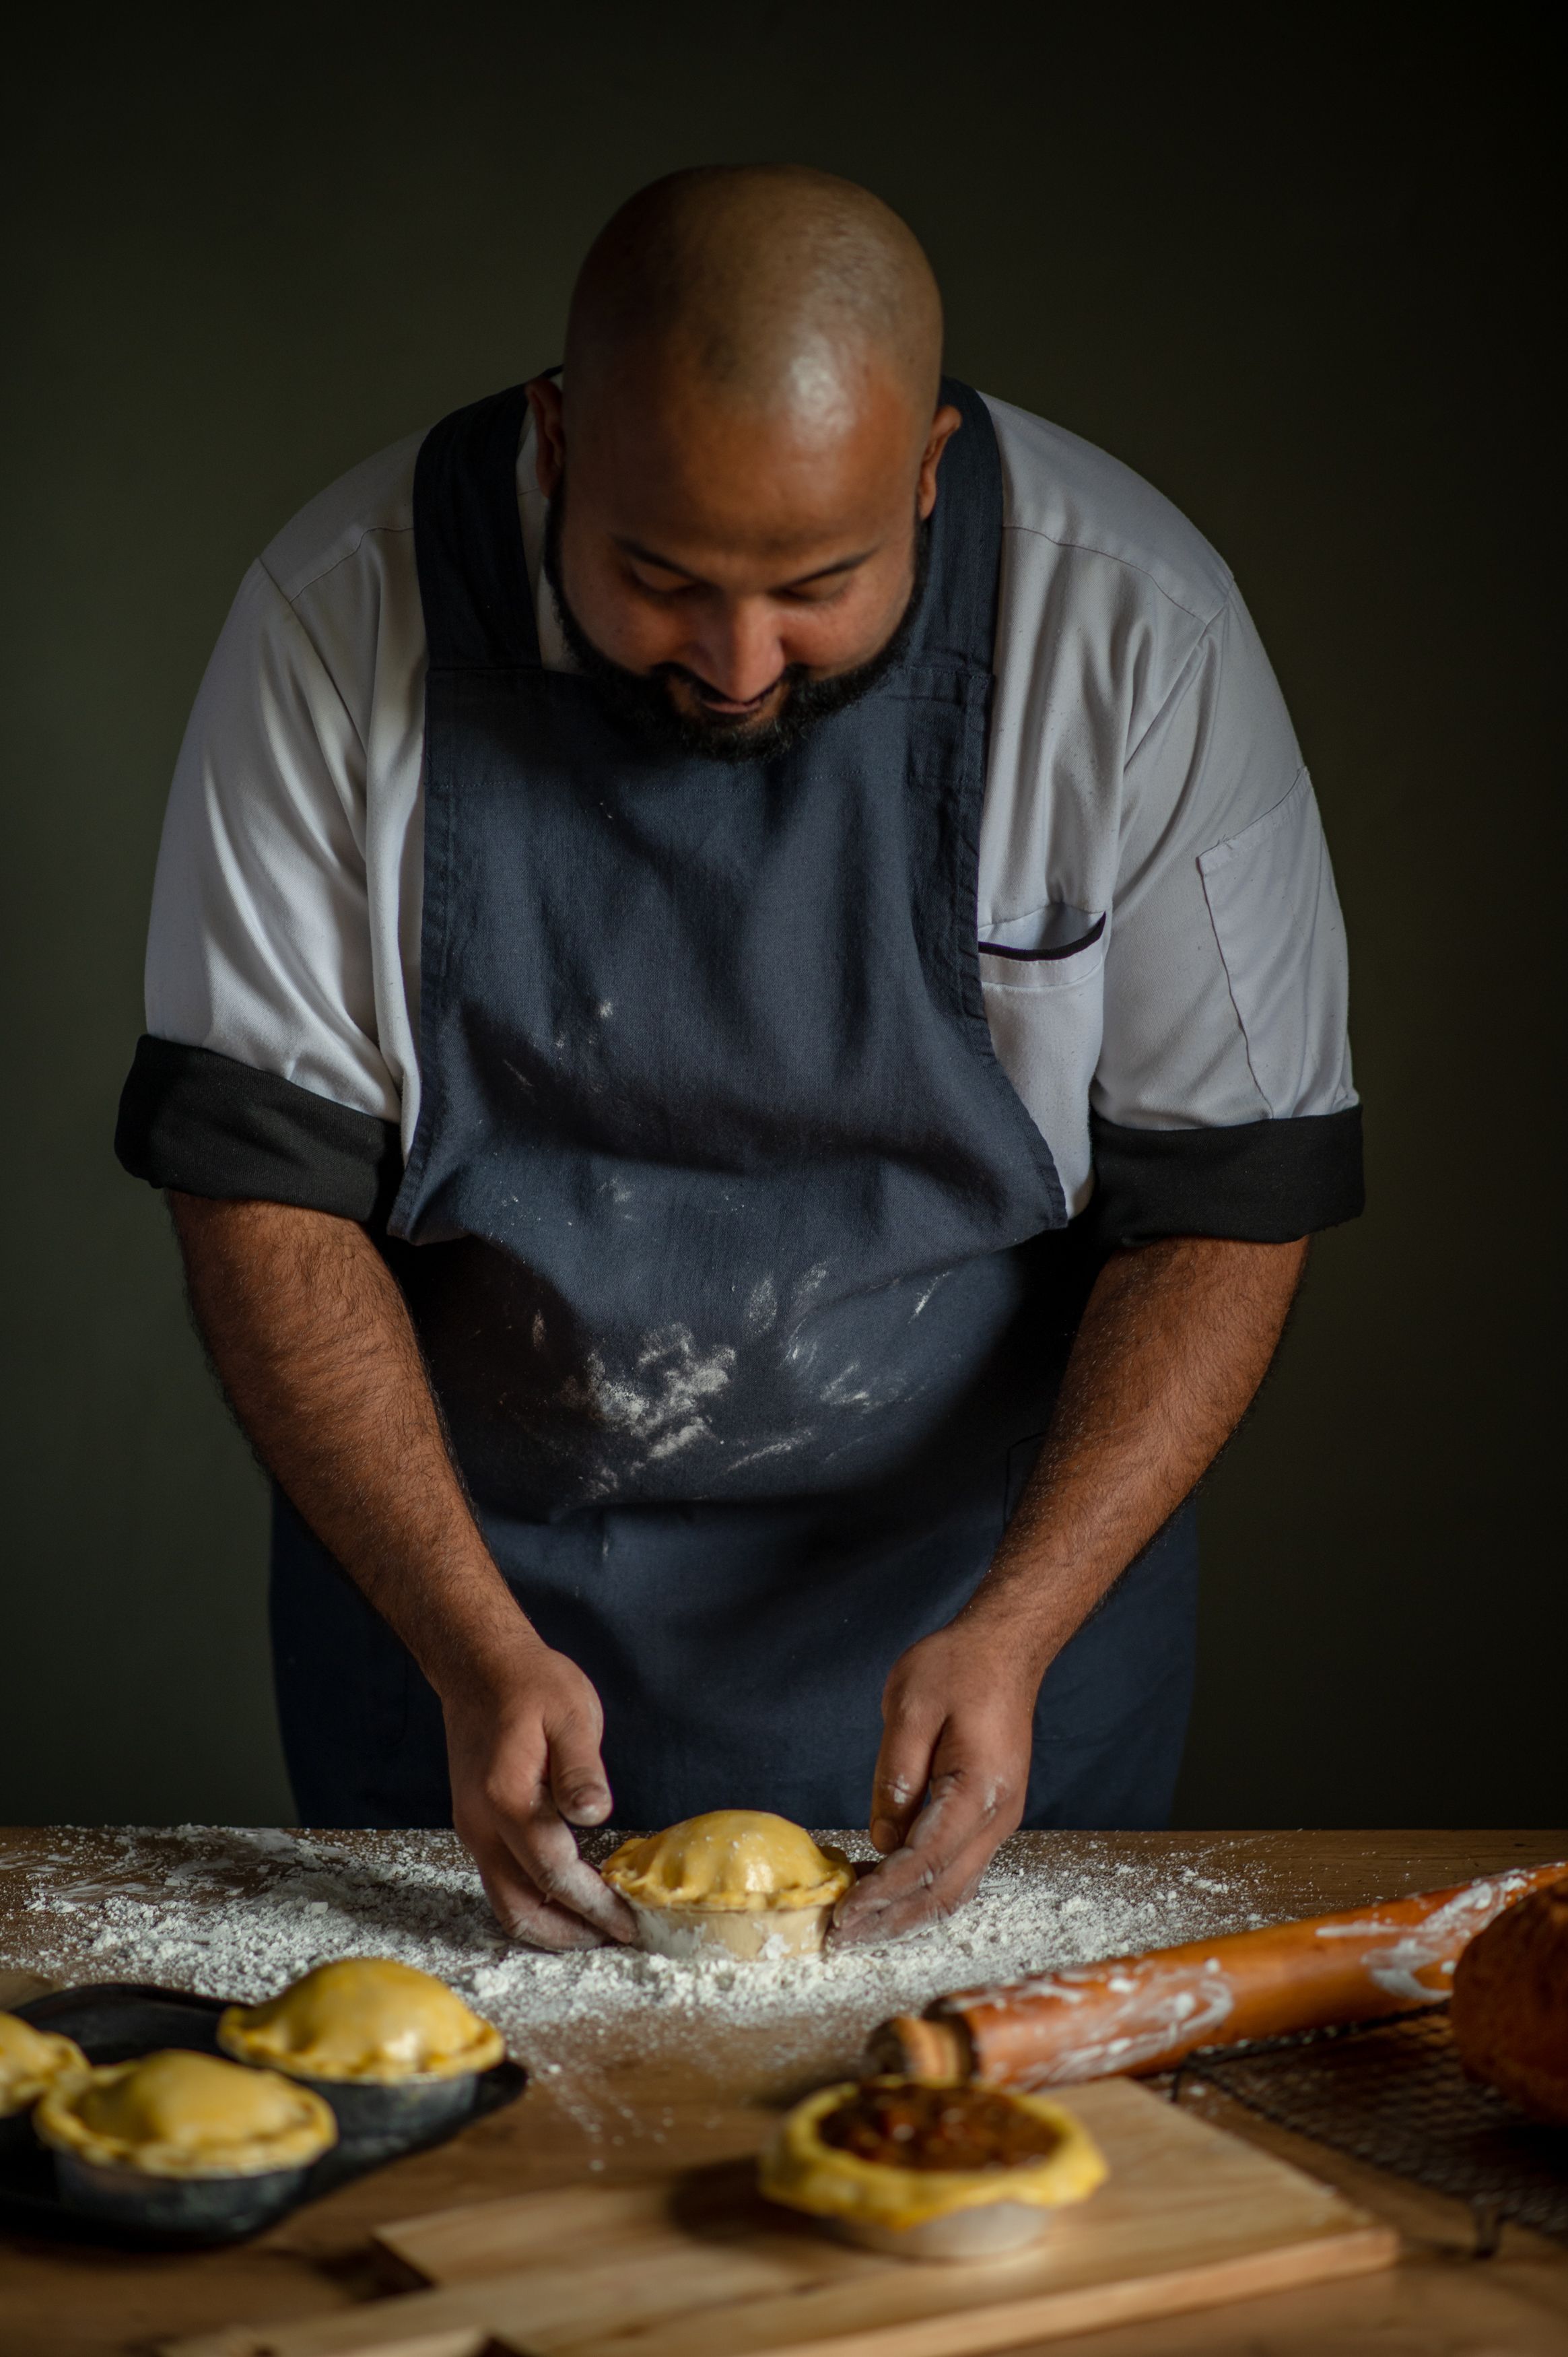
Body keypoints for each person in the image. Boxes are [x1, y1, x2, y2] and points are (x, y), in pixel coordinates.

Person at [116, 164, 1361, 1952]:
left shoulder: (1133, 633)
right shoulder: (337, 620)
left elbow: (1227, 1202)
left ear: (927, 471)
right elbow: (259, 1198)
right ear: (554, 439)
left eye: (818, 585)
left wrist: (1018, 1624)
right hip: (476, 1600)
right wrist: (471, 1644)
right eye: (659, 575)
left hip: (978, 1619)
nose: (732, 660)